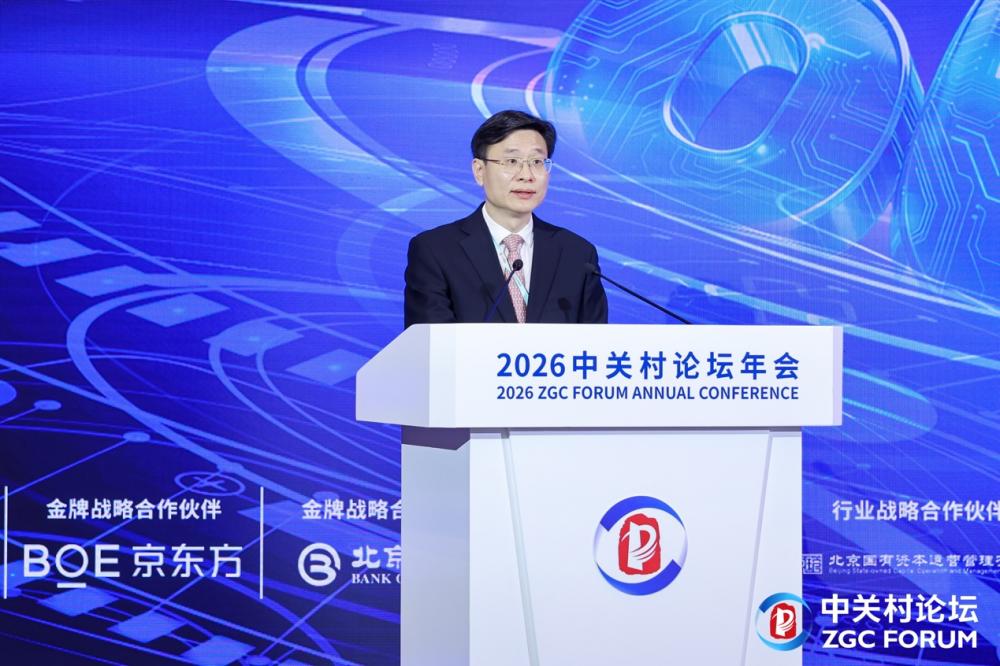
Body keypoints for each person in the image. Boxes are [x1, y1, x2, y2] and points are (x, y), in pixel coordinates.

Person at [404, 110, 608, 327]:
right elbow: (430, 341)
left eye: (537, 162)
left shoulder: (578, 255)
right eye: (512, 161)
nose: (526, 175)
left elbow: (594, 343)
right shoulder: (436, 250)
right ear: (479, 171)